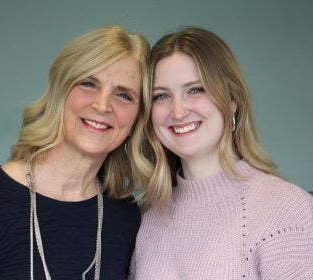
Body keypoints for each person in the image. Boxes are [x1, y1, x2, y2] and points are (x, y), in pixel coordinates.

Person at [0, 25, 151, 279]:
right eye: (88, 84)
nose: (102, 105)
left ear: (137, 117)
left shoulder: (126, 219)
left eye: (124, 95)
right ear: (60, 91)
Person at [129, 27, 313, 279]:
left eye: (195, 89)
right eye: (161, 96)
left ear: (232, 100)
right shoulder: (148, 217)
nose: (178, 111)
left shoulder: (285, 208)